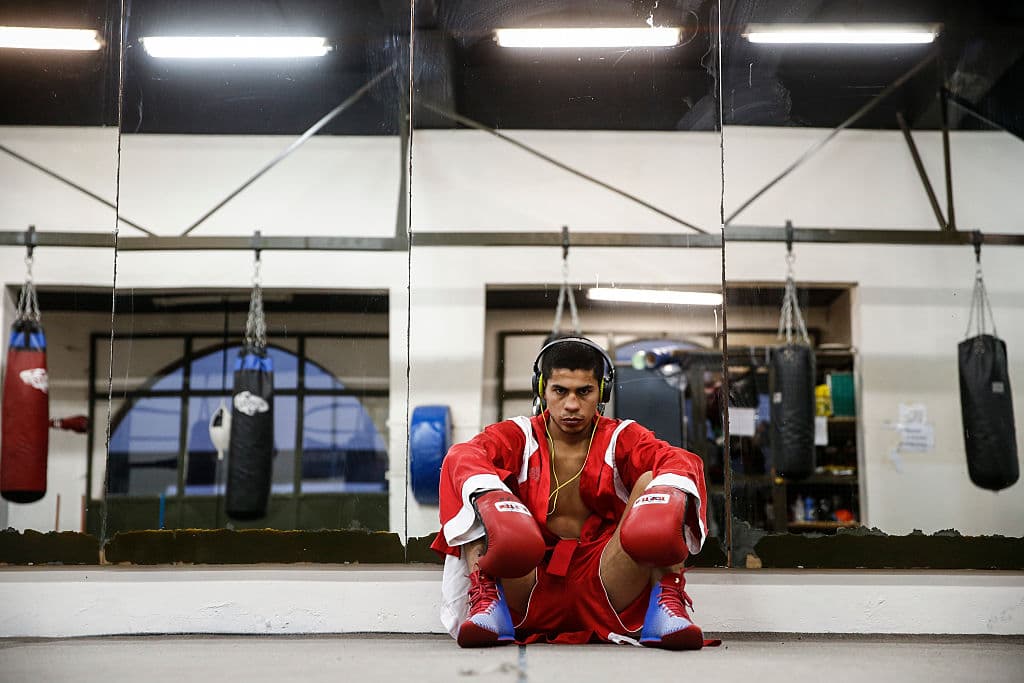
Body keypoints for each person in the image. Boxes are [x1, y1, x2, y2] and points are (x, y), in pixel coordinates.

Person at [431, 336, 711, 648]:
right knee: (476, 477)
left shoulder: (621, 436)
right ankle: (488, 603)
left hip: (607, 577)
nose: (572, 405)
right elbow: (462, 456)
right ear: (543, 390)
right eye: (560, 391)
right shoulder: (518, 436)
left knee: (657, 480)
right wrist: (490, 497)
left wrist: (663, 495)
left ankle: (667, 605)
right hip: (526, 577)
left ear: (601, 392)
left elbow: (679, 460)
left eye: (585, 392)